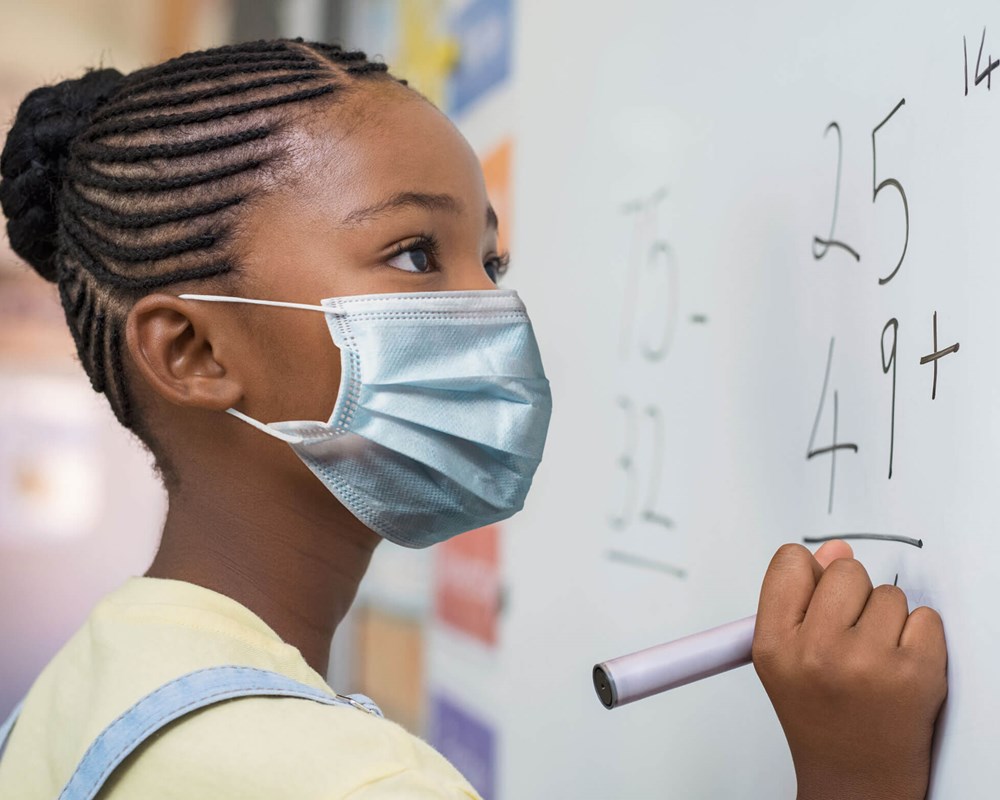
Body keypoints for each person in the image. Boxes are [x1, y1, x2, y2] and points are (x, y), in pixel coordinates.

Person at [0, 39, 946, 799]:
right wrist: (857, 778)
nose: (490, 311)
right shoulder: (339, 781)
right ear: (194, 354)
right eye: (415, 256)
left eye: (490, 265)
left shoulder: (91, 684)